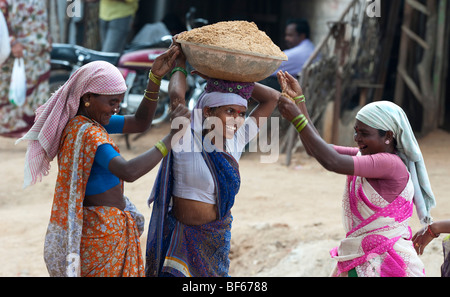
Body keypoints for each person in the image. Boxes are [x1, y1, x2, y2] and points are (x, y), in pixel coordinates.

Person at [16, 45, 190, 277]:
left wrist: (155, 78)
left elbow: (139, 122)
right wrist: (170, 139)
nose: (116, 108)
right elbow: (128, 171)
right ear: (88, 97)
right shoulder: (89, 133)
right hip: (102, 235)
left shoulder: (80, 122)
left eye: (119, 102)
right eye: (112, 102)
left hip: (100, 230)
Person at [276, 71, 436, 277]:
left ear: (388, 136)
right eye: (356, 131)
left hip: (386, 263)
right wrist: (300, 101)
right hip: (366, 257)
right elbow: (316, 149)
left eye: (364, 133)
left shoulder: (389, 163)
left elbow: (332, 161)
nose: (357, 138)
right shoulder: (366, 155)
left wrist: (297, 118)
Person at [145, 38, 280, 277]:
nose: (238, 120)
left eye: (241, 113)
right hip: (181, 239)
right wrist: (181, 63)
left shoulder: (236, 141)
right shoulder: (186, 137)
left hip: (215, 239)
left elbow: (271, 98)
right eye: (230, 112)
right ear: (208, 111)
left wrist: (230, 80)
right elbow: (177, 95)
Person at [0, 0, 51, 138]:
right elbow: (1, 16)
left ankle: (34, 130)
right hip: (18, 50)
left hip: (38, 50)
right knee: (15, 90)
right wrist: (12, 42)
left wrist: (47, 38)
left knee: (37, 91)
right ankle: (13, 130)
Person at [261, 18, 314, 91]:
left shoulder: (299, 52)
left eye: (290, 35)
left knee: (261, 81)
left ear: (302, 36)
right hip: (306, 89)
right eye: (286, 35)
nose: (286, 38)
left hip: (297, 92)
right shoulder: (309, 47)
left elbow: (265, 66)